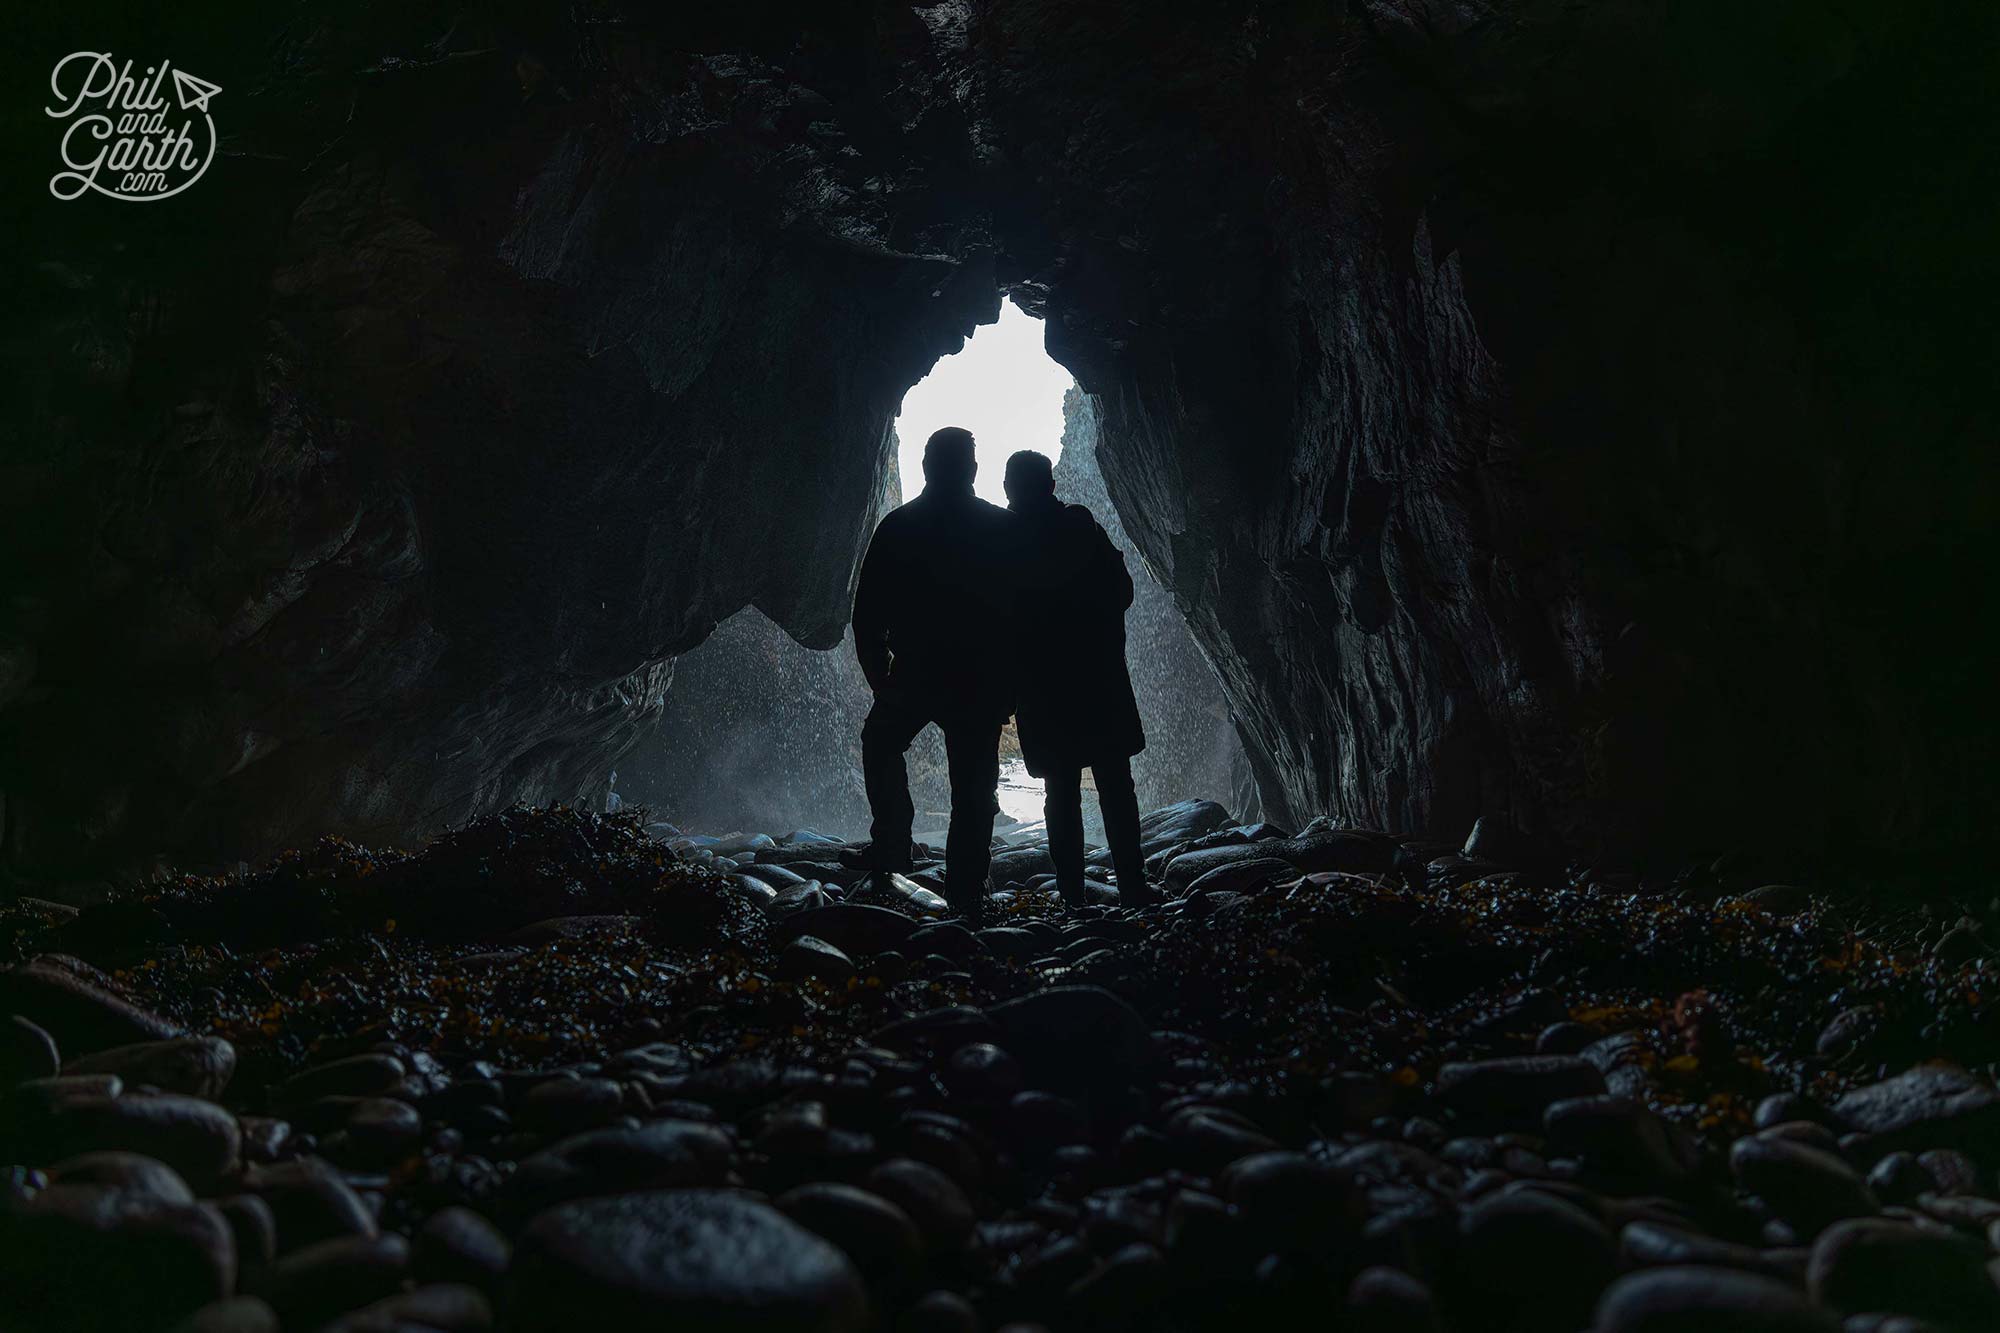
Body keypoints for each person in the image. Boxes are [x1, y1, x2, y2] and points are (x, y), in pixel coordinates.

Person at [850, 426, 1017, 917]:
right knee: (973, 783)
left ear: (926, 466)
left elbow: (866, 614)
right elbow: (1022, 614)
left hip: (916, 671)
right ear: (972, 469)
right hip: (978, 677)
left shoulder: (899, 526)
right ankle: (966, 886)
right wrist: (1012, 687)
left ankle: (893, 844)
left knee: (880, 743)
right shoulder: (998, 528)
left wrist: (881, 678)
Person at [1001, 449, 1153, 907]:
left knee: (1059, 793)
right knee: (1115, 786)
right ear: (1049, 485)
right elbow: (1122, 591)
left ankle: (1072, 898)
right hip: (1098, 679)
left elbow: (996, 616)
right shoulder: (1081, 525)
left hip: (1042, 687)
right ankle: (1133, 886)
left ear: (1011, 488)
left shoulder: (1006, 542)